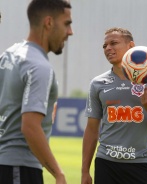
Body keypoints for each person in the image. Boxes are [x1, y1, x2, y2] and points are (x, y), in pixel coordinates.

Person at [81, 27, 147, 184]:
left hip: (140, 163)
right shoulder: (97, 83)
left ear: (131, 46)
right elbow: (92, 129)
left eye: (113, 43)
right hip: (105, 163)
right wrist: (84, 171)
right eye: (105, 46)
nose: (108, 48)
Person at [0, 0, 73, 183]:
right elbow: (30, 126)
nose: (70, 32)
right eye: (67, 24)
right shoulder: (40, 67)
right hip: (19, 167)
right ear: (49, 23)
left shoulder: (9, 55)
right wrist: (58, 173)